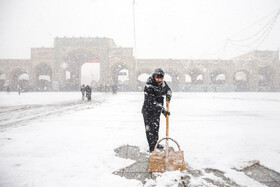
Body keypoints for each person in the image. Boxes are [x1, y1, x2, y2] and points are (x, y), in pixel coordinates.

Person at [142, 68, 172, 152]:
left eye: (161, 78)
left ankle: (156, 143)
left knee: (156, 127)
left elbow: (169, 90)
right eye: (157, 78)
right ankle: (152, 147)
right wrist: (163, 110)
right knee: (150, 129)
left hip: (157, 111)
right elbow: (151, 102)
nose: (159, 80)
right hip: (148, 110)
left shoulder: (163, 84)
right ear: (154, 77)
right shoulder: (149, 85)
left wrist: (168, 96)